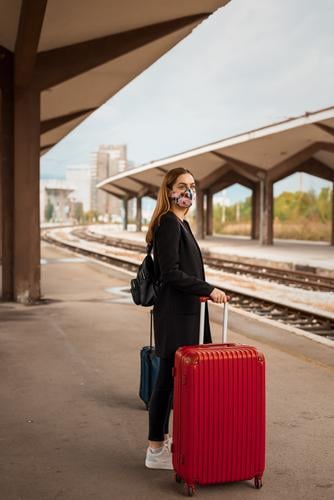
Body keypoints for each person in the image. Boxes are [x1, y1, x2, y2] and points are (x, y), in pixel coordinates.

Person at [144, 167, 228, 470]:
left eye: (192, 186)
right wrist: (209, 288)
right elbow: (171, 274)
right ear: (169, 191)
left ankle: (163, 443)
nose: (188, 192)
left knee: (173, 382)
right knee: (166, 382)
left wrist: (202, 290)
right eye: (182, 186)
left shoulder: (182, 224)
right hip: (177, 316)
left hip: (186, 313)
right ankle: (155, 450)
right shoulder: (168, 223)